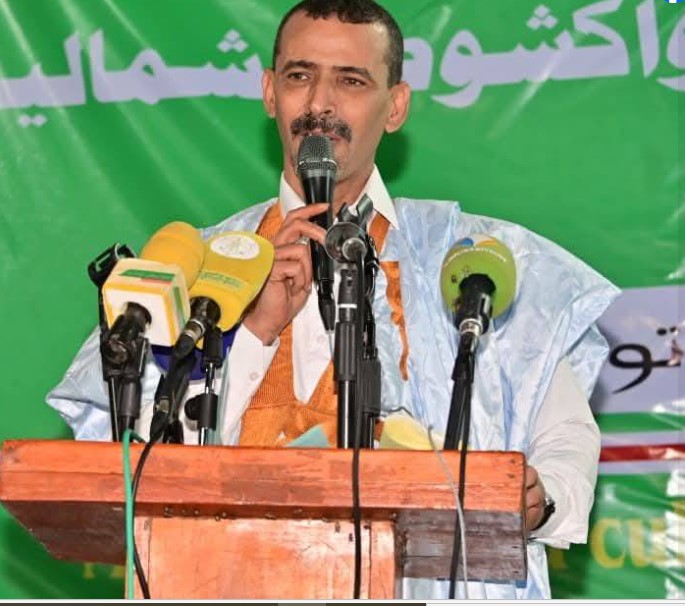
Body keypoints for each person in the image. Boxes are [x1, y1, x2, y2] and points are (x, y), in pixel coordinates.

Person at [47, 0, 620, 599]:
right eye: (300, 76)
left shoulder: (470, 264)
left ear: (395, 106)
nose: (320, 103)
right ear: (270, 92)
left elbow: (563, 434)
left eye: (351, 81)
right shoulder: (200, 268)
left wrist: (543, 499)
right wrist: (253, 333)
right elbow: (133, 457)